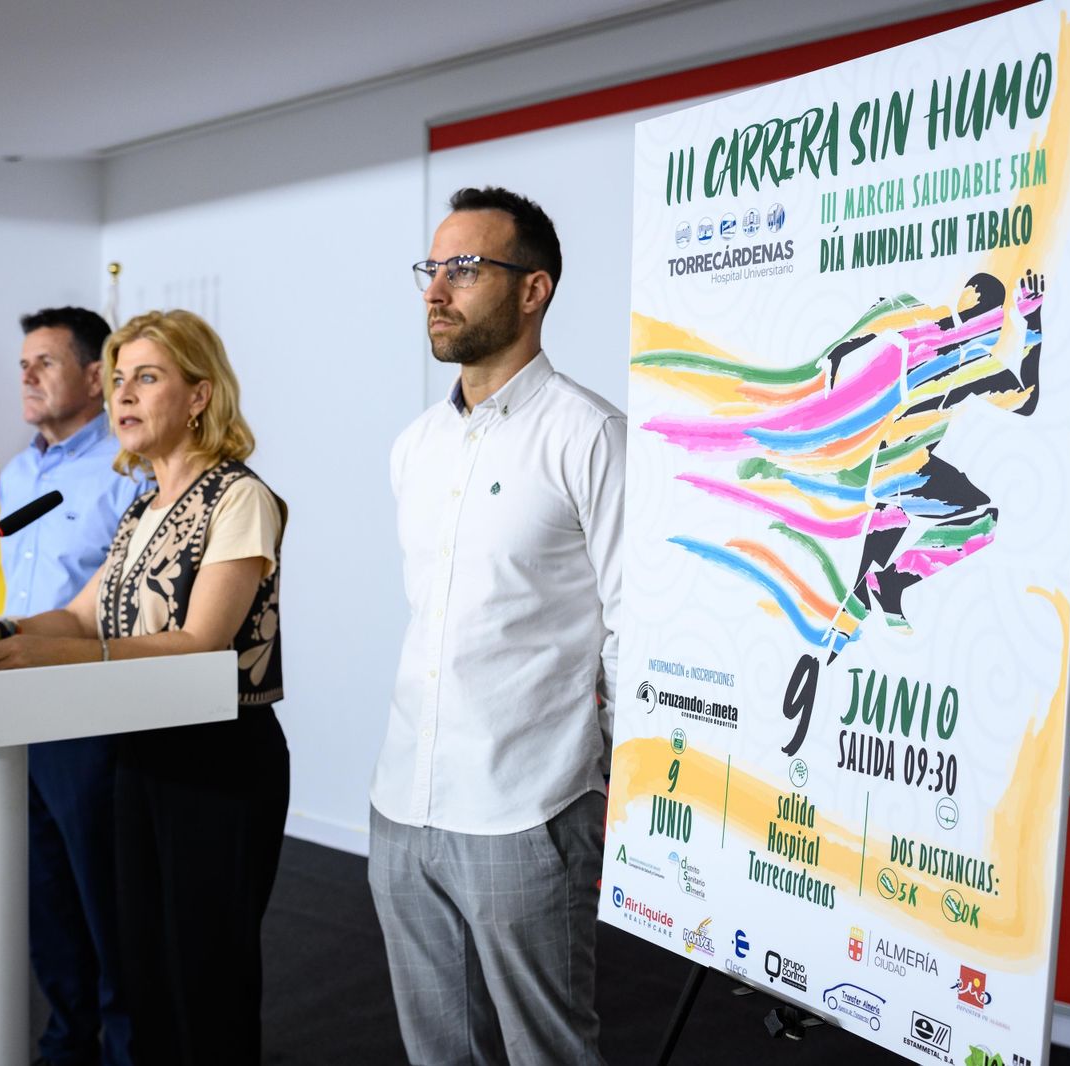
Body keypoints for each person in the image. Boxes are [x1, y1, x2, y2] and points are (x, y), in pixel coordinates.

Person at [0, 309, 288, 1066]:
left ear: (199, 394)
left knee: (207, 970)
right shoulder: (143, 504)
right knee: (143, 965)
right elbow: (80, 614)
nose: (123, 395)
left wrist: (56, 657)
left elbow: (199, 643)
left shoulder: (238, 497)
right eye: (118, 379)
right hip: (141, 753)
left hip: (219, 758)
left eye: (147, 377)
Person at [369, 186, 624, 1065]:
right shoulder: (415, 446)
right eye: (432, 268)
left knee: (548, 1050)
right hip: (402, 805)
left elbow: (632, 627)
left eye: (466, 268)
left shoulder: (590, 435)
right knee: (438, 1052)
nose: (436, 290)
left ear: (533, 290)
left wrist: (620, 784)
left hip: (528, 806)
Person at [0, 307, 148, 1066]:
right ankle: (67, 1040)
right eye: (23, 363)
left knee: (106, 900)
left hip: (92, 712)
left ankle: (127, 1047)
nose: (27, 375)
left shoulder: (129, 469)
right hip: (14, 709)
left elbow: (128, 608)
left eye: (45, 362)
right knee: (46, 895)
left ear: (96, 377)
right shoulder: (16, 472)